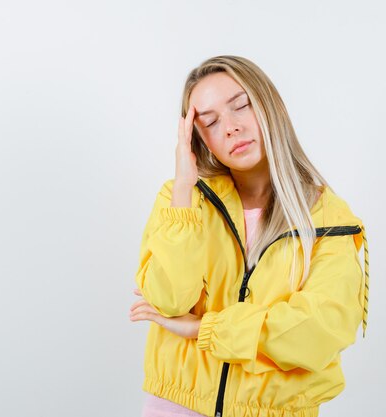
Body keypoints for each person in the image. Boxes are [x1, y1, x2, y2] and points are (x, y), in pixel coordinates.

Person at [129, 55, 369, 417]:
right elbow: (167, 301)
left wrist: (204, 329)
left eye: (240, 106)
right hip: (175, 407)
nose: (230, 128)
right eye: (209, 123)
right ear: (200, 140)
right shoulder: (182, 200)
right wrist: (183, 189)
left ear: (269, 106)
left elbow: (318, 332)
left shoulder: (330, 221)